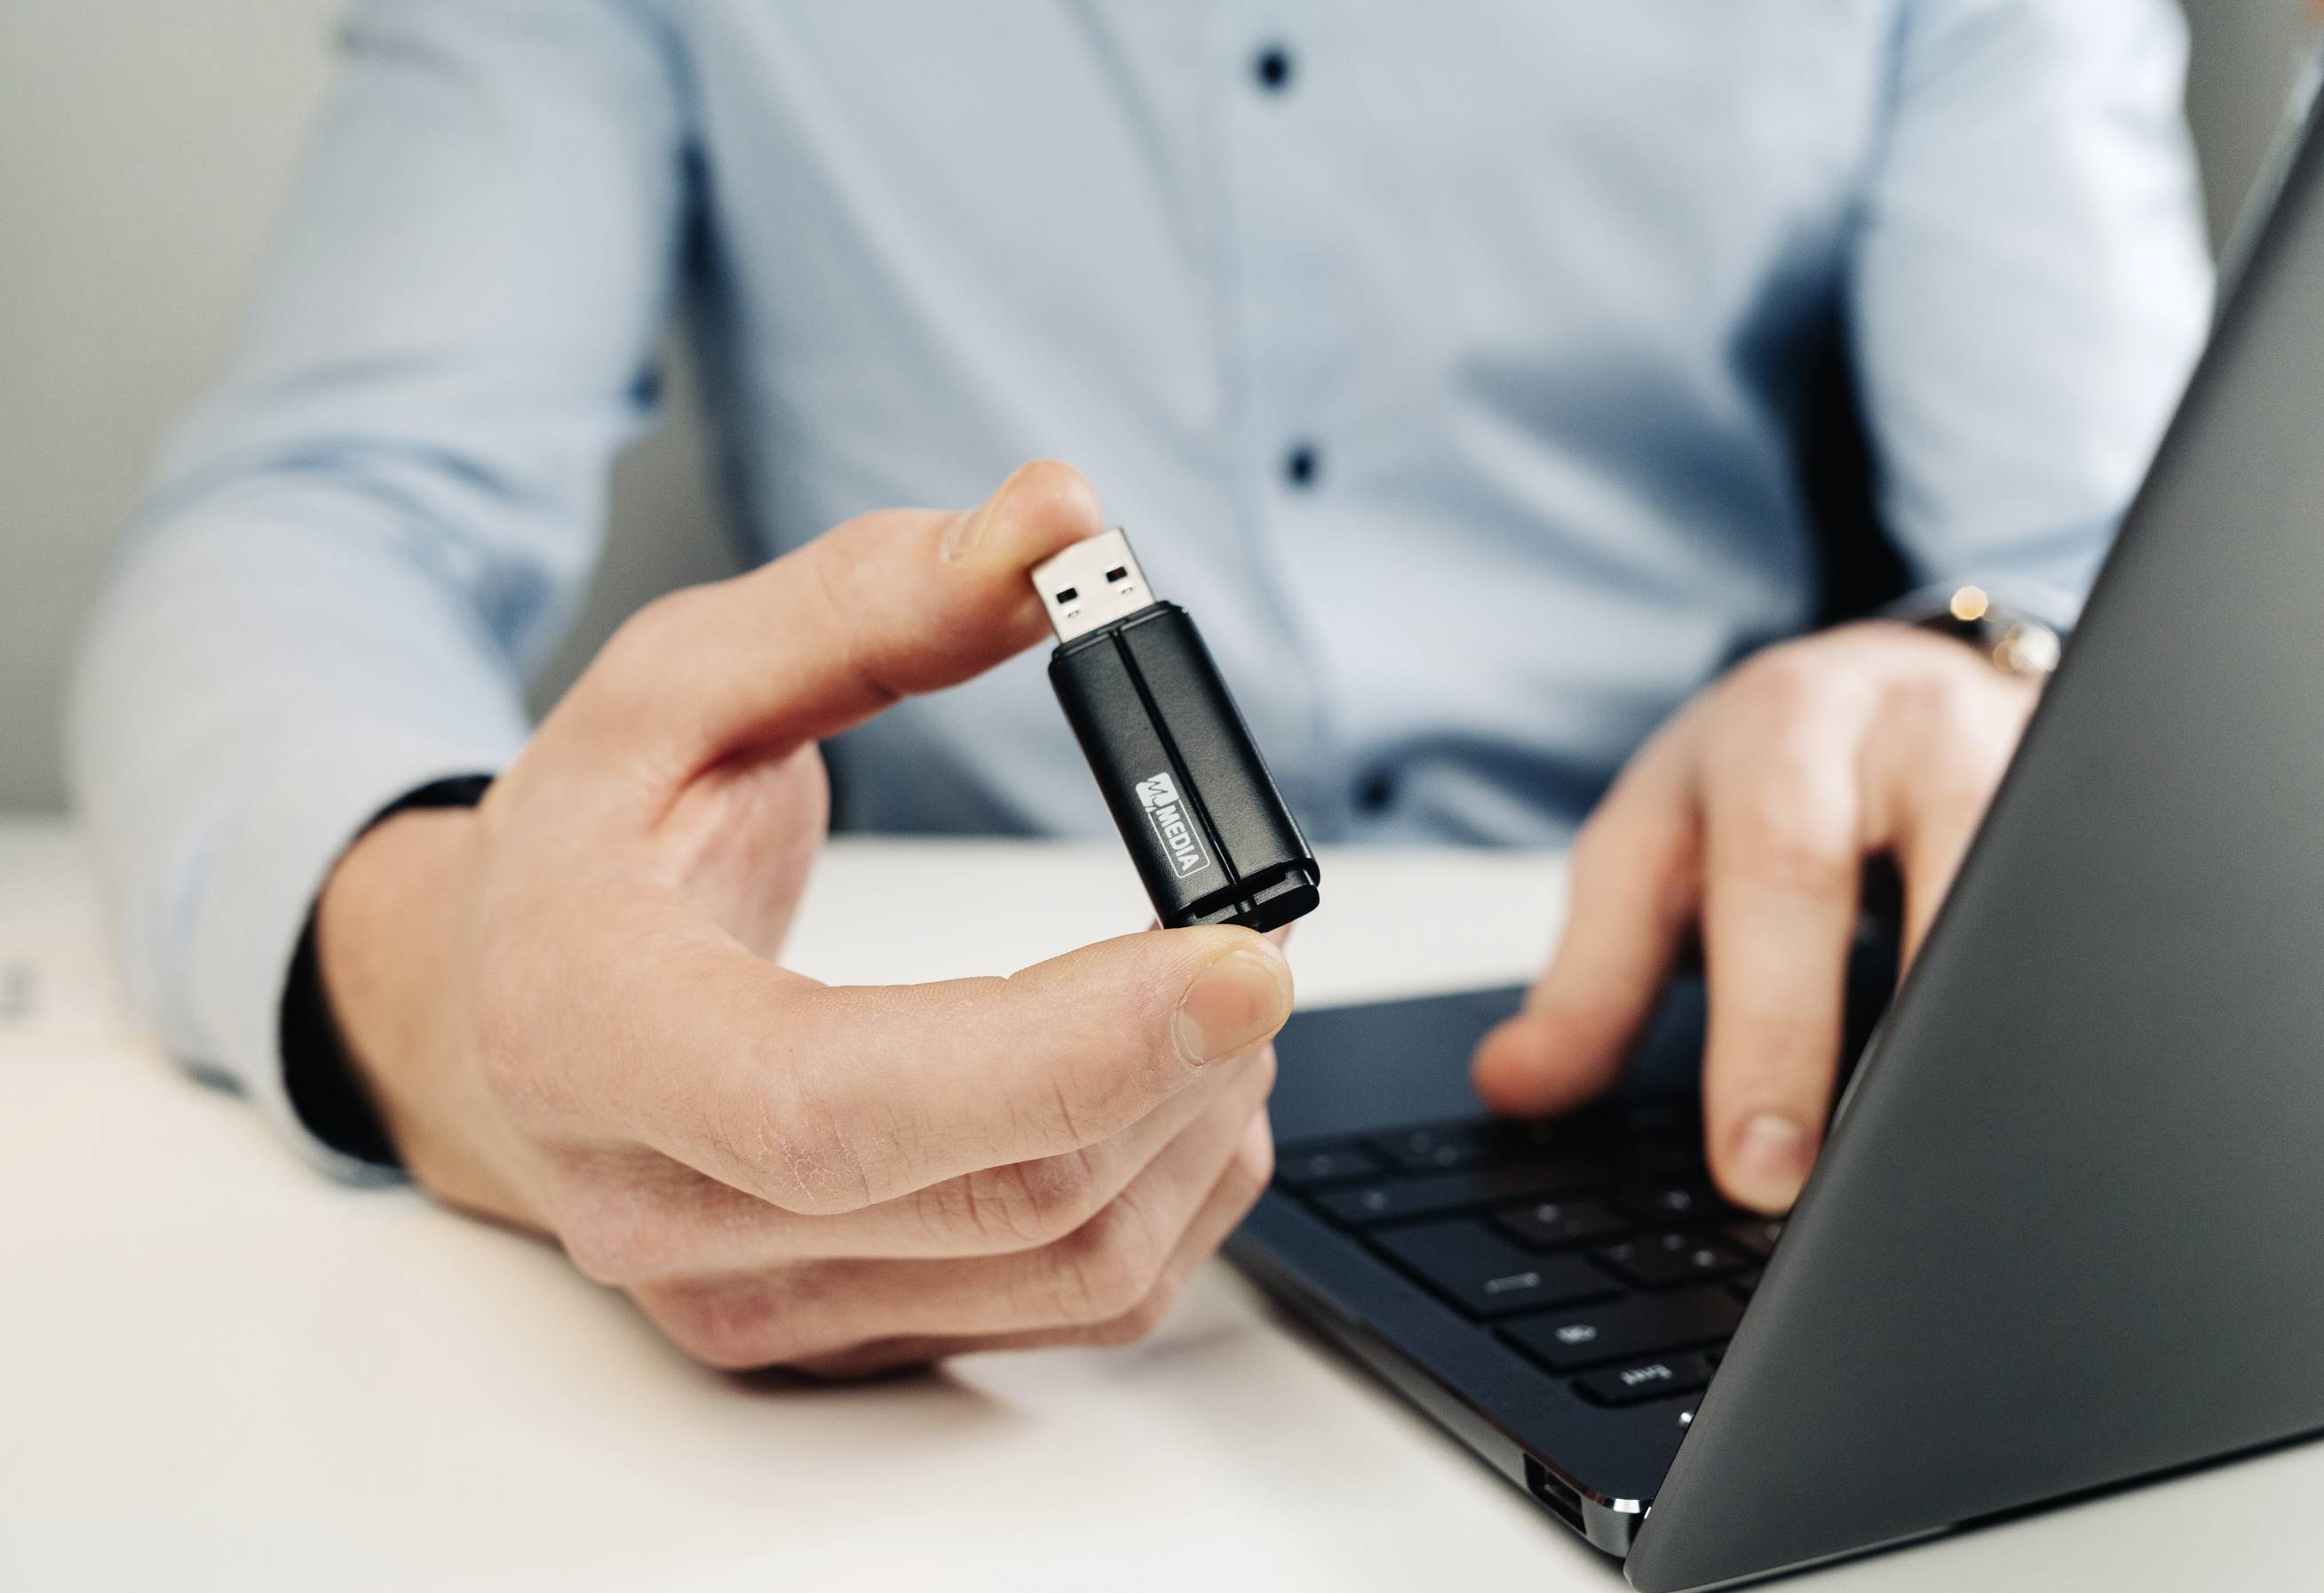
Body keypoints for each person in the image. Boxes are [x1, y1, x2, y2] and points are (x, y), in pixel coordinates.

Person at [67, 3, 2212, 1375]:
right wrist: (449, 979)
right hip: (975, 1094)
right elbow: (320, 513)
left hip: (1688, 1044)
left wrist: (1984, 667)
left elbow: (2126, 543)